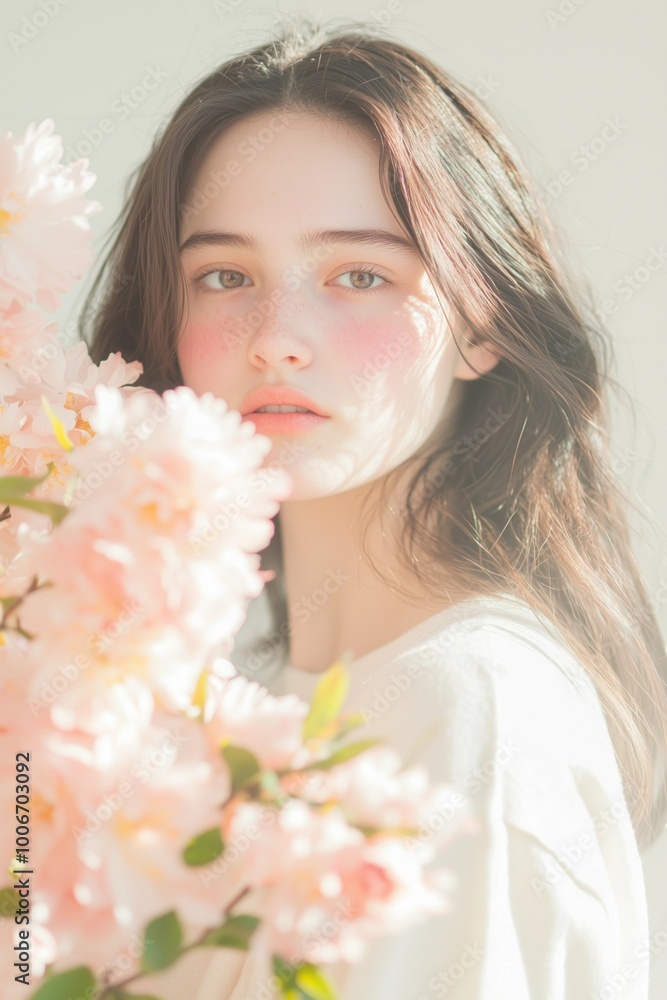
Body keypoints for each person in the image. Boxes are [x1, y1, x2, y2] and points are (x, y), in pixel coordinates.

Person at [84, 18, 667, 999]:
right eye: (224, 275)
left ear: (482, 322)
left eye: (360, 275)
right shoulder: (224, 695)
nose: (277, 338)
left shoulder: (468, 708)